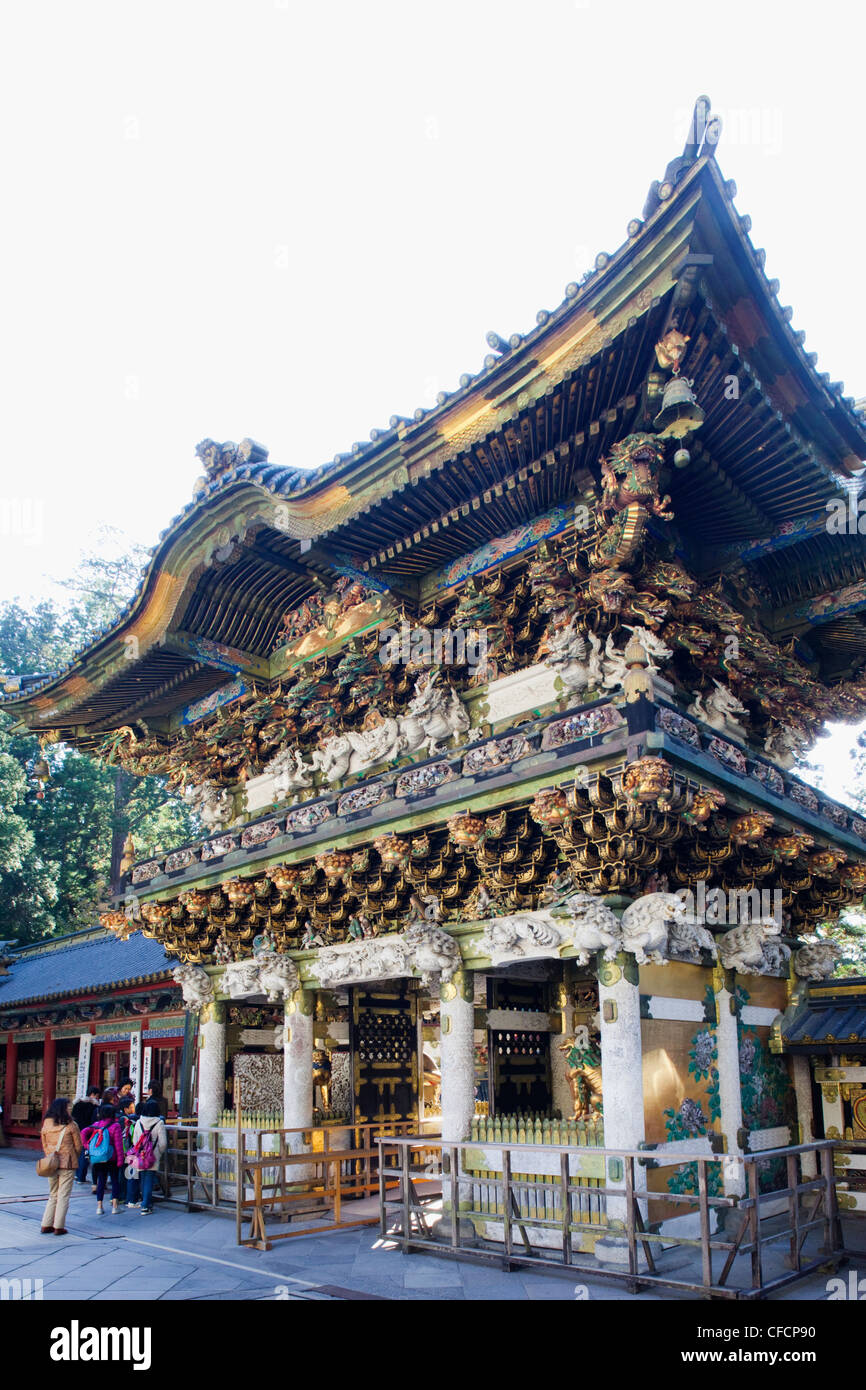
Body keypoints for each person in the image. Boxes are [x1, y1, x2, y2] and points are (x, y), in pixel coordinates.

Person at [40, 1098, 83, 1236]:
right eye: (68, 1107)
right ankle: (59, 1226)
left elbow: (44, 1144)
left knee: (53, 1194)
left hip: (51, 1163)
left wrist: (50, 1156)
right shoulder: (71, 1125)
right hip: (67, 1163)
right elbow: (78, 1146)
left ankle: (46, 1224)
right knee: (63, 1195)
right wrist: (73, 1156)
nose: (70, 1109)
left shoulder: (46, 1123)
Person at [80, 1103, 125, 1215]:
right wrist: (120, 1159)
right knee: (115, 1181)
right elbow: (118, 1145)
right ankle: (115, 1207)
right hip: (112, 1157)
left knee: (101, 1181)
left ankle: (99, 1207)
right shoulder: (116, 1126)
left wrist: (87, 1145)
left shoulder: (96, 1124)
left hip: (98, 1157)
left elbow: (83, 1132)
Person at [128, 1100, 167, 1214]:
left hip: (141, 1154)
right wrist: (158, 1152)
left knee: (143, 1178)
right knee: (149, 1178)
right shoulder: (159, 1123)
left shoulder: (139, 1122)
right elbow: (163, 1143)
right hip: (153, 1155)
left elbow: (135, 1141)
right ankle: (146, 1204)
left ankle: (145, 1201)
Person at [71, 1088, 101, 1185]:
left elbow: (72, 1117)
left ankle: (76, 1174)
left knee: (76, 1152)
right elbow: (94, 1121)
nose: (97, 1098)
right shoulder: (93, 1106)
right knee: (85, 1154)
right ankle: (81, 1177)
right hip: (88, 1132)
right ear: (92, 1094)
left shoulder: (77, 1104)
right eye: (97, 1095)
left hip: (76, 1130)